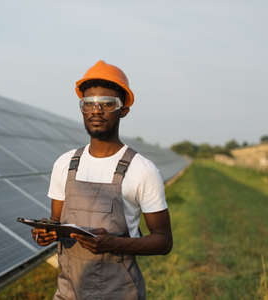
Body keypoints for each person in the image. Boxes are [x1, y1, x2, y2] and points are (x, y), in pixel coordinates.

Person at [32, 60, 173, 300]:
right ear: (82, 109)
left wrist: (112, 244)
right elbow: (56, 223)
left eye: (107, 104)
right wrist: (46, 232)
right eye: (89, 104)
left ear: (124, 109)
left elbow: (163, 241)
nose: (96, 110)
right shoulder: (64, 164)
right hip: (67, 293)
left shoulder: (142, 170)